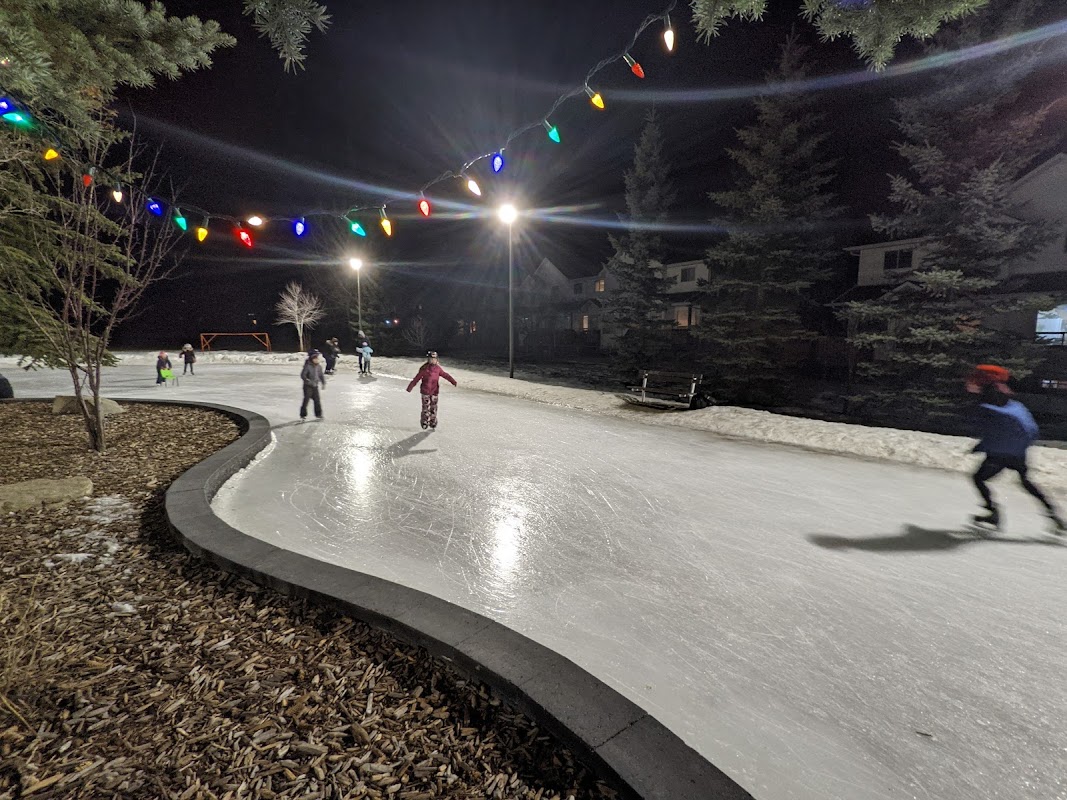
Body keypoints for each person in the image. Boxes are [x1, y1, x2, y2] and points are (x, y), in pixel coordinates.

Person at [966, 364, 1064, 532]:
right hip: (1017, 451)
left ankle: (993, 512)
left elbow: (994, 425)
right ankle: (1053, 513)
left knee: (978, 478)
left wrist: (982, 445)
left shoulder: (988, 396)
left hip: (1001, 452)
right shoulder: (1005, 393)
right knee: (1025, 481)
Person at [406, 350, 457, 430]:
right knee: (425, 408)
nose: (433, 360)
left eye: (434, 359)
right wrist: (410, 387)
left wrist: (453, 381)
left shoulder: (438, 369)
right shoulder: (424, 369)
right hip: (425, 391)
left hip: (434, 391)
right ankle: (424, 421)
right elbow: (416, 379)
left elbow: (445, 375)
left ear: (437, 360)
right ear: (428, 359)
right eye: (431, 359)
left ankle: (433, 421)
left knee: (433, 407)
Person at [300, 349, 327, 421]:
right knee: (306, 400)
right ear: (312, 358)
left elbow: (321, 375)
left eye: (317, 358)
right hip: (308, 386)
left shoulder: (319, 366)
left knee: (317, 400)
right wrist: (307, 381)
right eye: (315, 358)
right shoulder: (307, 366)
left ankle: (318, 414)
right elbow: (303, 375)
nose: (317, 359)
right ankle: (303, 415)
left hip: (315, 386)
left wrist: (323, 382)